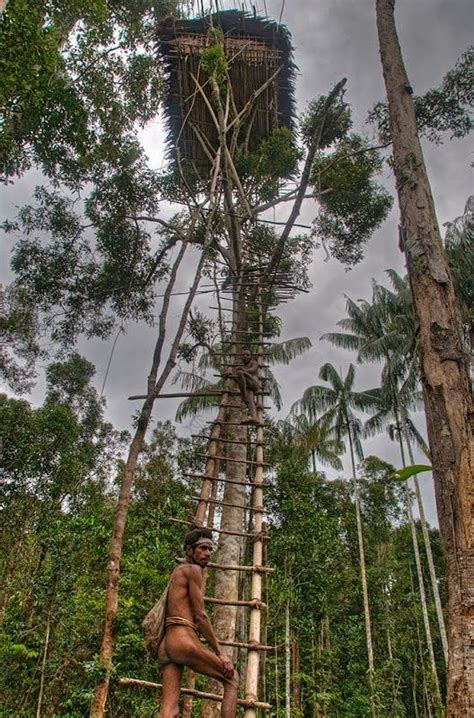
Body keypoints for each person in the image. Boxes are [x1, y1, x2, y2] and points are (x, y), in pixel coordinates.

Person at [157, 528, 239, 718]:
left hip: (167, 645)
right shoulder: (193, 570)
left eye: (211, 549)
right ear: (189, 551)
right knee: (232, 678)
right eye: (203, 548)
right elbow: (201, 616)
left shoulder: (178, 572)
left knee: (169, 711)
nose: (208, 553)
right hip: (183, 640)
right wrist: (221, 653)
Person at [224, 349, 261, 424]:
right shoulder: (242, 367)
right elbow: (240, 382)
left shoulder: (253, 362)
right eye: (243, 355)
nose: (245, 356)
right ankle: (254, 417)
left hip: (254, 384)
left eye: (247, 355)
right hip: (248, 387)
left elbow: (253, 370)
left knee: (240, 373)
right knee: (250, 401)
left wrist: (243, 371)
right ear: (241, 357)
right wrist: (231, 375)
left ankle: (244, 396)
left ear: (251, 357)